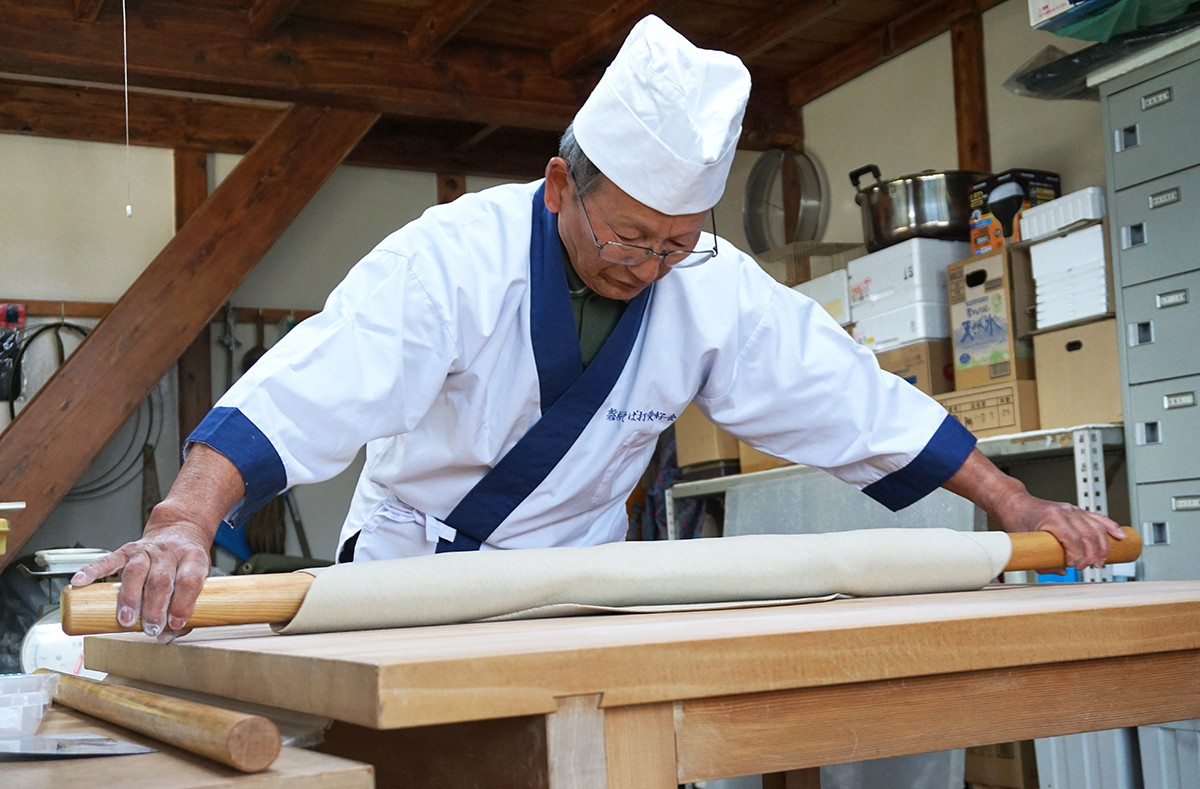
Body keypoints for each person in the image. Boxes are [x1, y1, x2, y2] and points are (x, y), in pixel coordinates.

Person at [72, 15, 1123, 643]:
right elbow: (306, 391)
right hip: (413, 580)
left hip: (587, 584)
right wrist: (181, 520)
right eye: (628, 234)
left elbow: (848, 397)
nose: (648, 264)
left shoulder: (708, 280)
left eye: (675, 242)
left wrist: (1012, 500)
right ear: (561, 183)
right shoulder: (452, 258)